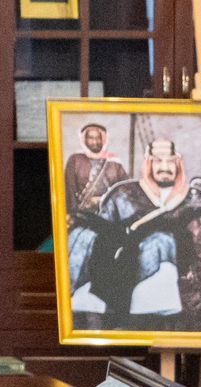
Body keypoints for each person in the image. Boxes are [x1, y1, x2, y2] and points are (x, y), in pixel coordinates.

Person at [80, 138, 194, 319]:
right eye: (158, 161)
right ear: (148, 163)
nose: (165, 167)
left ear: (178, 163)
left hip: (188, 294)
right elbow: (101, 238)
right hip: (126, 287)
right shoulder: (121, 195)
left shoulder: (195, 199)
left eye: (170, 161)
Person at [63, 123, 126, 299]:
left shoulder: (114, 163)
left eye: (98, 138)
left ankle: (101, 294)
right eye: (91, 138)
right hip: (80, 216)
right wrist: (70, 214)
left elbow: (125, 191)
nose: (95, 141)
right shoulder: (75, 160)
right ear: (85, 140)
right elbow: (68, 189)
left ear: (103, 139)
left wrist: (104, 199)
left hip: (108, 218)